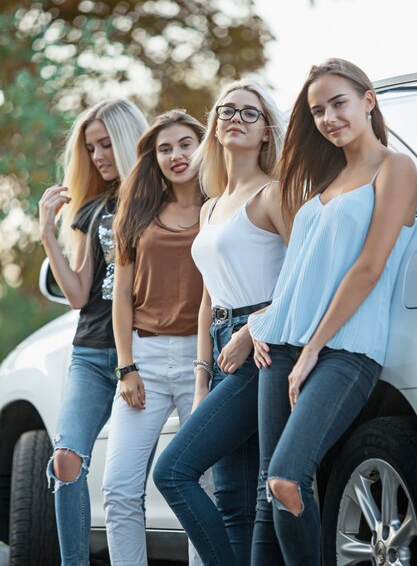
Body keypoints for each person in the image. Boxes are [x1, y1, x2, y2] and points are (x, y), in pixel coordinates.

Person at [248, 58, 417, 565]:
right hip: (278, 345)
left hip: (346, 348)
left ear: (368, 100)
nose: (328, 118)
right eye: (318, 110)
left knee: (286, 477)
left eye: (338, 103)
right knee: (267, 493)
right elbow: (301, 273)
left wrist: (313, 350)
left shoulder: (397, 167)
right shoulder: (329, 179)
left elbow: (369, 266)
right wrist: (261, 325)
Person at [153, 80, 288, 566]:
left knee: (173, 472)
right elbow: (209, 293)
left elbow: (305, 274)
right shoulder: (211, 205)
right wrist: (201, 374)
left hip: (264, 346)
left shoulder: (274, 195)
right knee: (233, 500)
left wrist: (251, 330)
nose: (234, 117)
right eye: (226, 110)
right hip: (221, 344)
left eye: (249, 113)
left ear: (267, 133)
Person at [39, 99, 148, 566]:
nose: (100, 155)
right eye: (91, 147)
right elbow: (80, 292)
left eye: (106, 144)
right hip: (90, 353)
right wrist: (48, 231)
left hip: (144, 352)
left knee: (131, 481)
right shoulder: (94, 207)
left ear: (128, 140)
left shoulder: (161, 199)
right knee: (67, 461)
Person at [101, 109, 209, 566]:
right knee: (119, 486)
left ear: (202, 147)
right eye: (165, 148)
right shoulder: (138, 210)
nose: (176, 155)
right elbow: (121, 295)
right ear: (154, 157)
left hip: (202, 359)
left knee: (202, 487)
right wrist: (126, 367)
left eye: (185, 144)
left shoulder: (219, 205)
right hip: (143, 358)